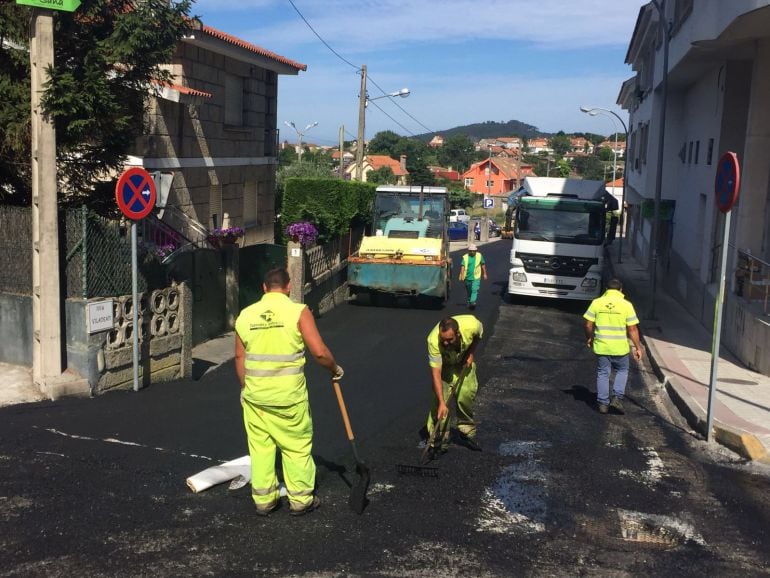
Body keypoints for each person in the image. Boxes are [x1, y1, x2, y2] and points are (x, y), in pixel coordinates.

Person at [235, 267, 344, 517]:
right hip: (288, 399)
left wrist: (245, 388)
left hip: (256, 399)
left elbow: (239, 356)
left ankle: (264, 501)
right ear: (288, 287)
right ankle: (301, 500)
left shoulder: (245, 315)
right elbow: (319, 352)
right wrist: (334, 369)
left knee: (261, 449)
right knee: (296, 446)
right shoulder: (298, 311)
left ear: (264, 288)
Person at [583, 278, 644, 415]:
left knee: (603, 373)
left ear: (606, 289)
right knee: (622, 371)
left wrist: (589, 338)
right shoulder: (626, 305)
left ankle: (603, 403)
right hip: (620, 347)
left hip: (602, 346)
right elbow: (632, 329)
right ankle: (617, 397)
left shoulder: (596, 303)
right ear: (621, 290)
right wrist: (638, 347)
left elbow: (588, 325)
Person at [425, 315, 484, 455]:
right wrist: (441, 402)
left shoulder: (472, 324)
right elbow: (436, 373)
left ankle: (466, 432)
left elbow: (479, 334)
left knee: (465, 395)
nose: (445, 343)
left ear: (457, 334)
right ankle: (438, 441)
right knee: (441, 408)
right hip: (444, 366)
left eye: (449, 340)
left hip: (463, 362)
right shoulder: (433, 341)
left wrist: (470, 353)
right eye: (443, 340)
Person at [459, 244, 488, 310]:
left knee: (474, 289)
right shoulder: (465, 257)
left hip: (476, 277)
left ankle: (472, 301)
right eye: (471, 251)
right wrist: (462, 275)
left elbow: (483, 265)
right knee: (469, 291)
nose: (472, 252)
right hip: (467, 278)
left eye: (473, 251)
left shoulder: (479, 256)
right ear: (468, 251)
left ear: (476, 251)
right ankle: (469, 301)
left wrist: (484, 274)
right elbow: (462, 267)